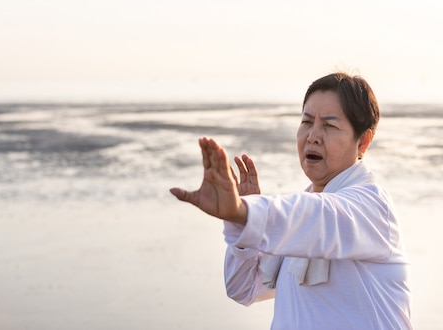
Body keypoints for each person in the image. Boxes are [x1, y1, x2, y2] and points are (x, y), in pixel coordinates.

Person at [170, 72, 412, 329]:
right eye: (307, 122)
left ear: (363, 141)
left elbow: (318, 217)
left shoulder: (371, 206)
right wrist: (241, 225)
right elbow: (244, 289)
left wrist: (243, 211)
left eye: (329, 125)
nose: (313, 136)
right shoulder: (300, 220)